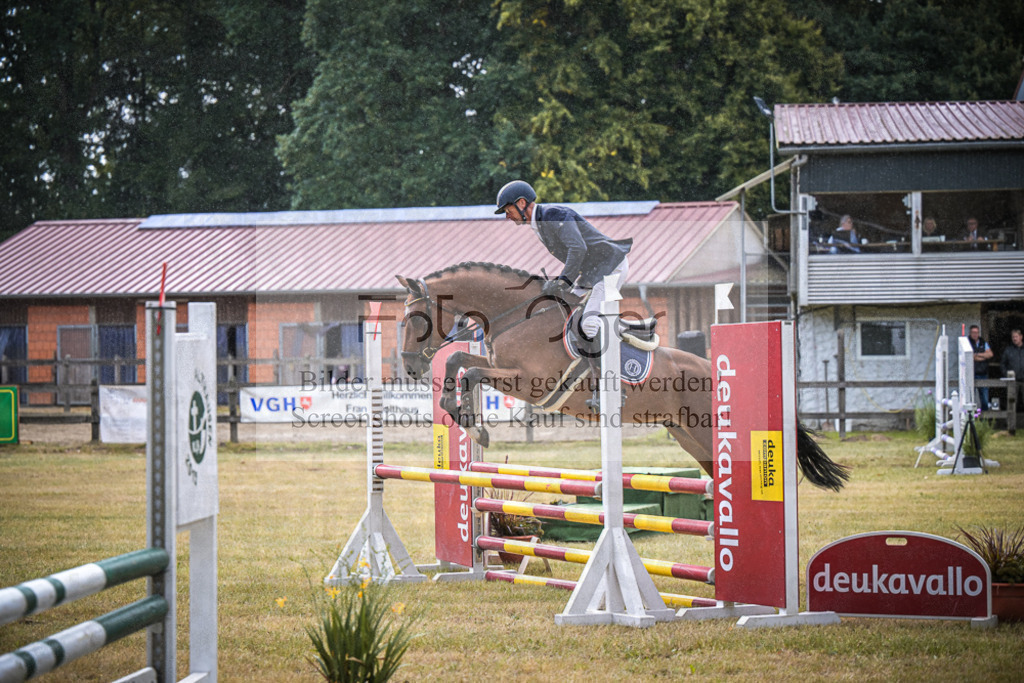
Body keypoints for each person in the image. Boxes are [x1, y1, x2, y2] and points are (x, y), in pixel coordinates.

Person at [494, 179, 632, 411]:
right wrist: (561, 285)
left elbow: (578, 248)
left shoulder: (553, 215)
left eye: (508, 210)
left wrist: (563, 281)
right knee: (562, 314)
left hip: (611, 267)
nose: (507, 216)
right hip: (592, 272)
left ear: (521, 203)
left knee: (588, 324)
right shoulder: (540, 223)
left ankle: (611, 385)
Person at [967, 324, 993, 410]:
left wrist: (977, 354)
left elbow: (990, 354)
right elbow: (971, 357)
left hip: (983, 373)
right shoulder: (967, 343)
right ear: (970, 333)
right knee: (971, 398)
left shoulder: (983, 342)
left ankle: (985, 417)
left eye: (977, 332)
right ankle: (972, 416)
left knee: (984, 398)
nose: (975, 334)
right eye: (973, 332)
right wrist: (983, 356)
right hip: (971, 374)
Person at [1001, 328, 1024, 413]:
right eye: (1013, 337)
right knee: (1012, 402)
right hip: (1013, 380)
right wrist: (1006, 375)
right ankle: (1011, 421)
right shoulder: (1008, 350)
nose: (1014, 338)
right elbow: (1003, 364)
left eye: (1016, 336)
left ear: (1021, 337)